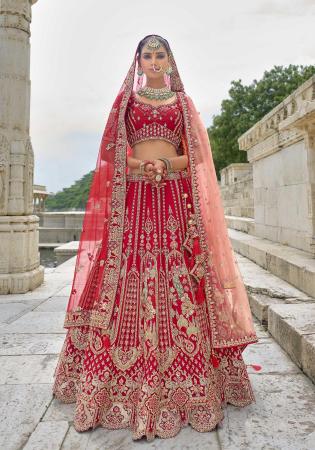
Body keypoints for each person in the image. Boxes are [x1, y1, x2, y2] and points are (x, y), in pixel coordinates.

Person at [52, 34, 259, 441]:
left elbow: (197, 155)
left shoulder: (182, 104)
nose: (153, 60)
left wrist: (165, 163)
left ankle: (192, 386)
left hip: (172, 202)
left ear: (169, 60)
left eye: (159, 54)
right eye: (146, 55)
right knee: (123, 276)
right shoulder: (126, 103)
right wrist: (139, 167)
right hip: (133, 203)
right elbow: (112, 153)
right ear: (139, 62)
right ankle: (112, 387)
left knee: (180, 277)